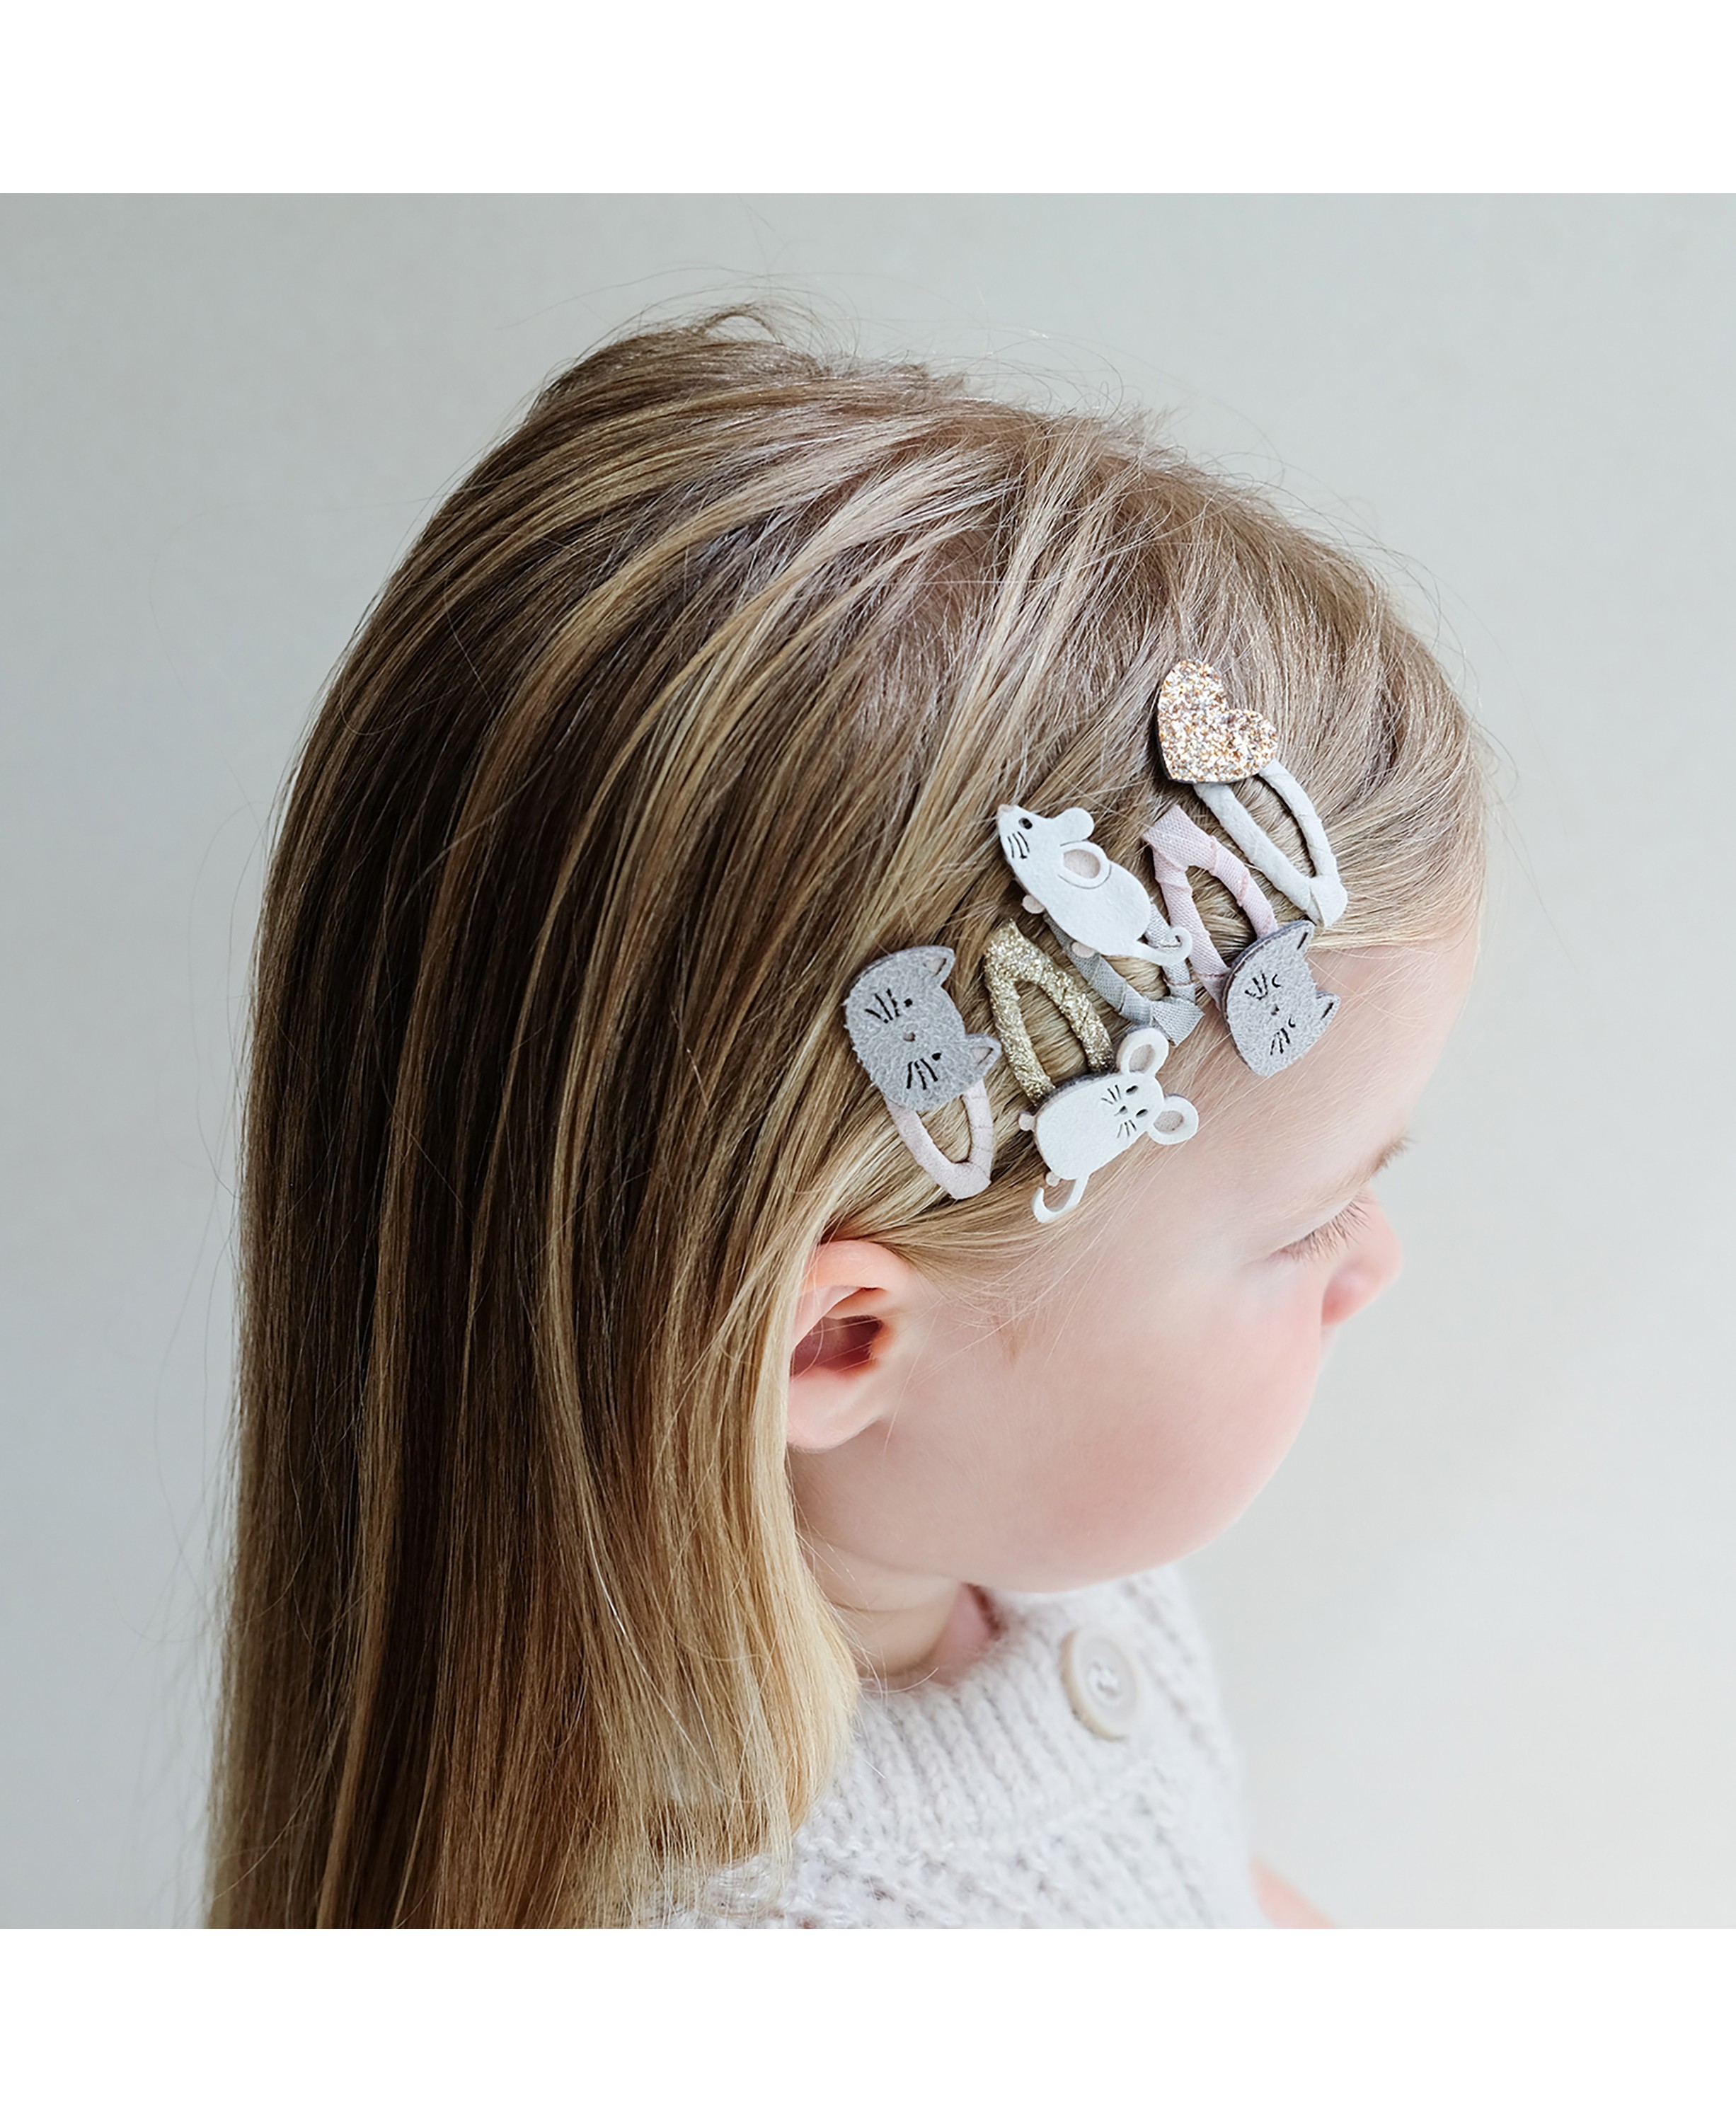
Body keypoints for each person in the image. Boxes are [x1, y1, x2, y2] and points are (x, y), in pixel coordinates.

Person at [208, 313, 1484, 1928]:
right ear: (837, 1344)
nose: (1374, 1263)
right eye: (1307, 1224)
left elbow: (1189, 1879)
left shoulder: (1021, 1538)